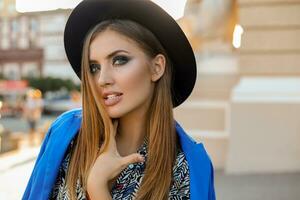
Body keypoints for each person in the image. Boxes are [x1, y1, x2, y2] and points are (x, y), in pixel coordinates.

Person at [23, 0, 215, 200]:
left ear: (157, 67)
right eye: (94, 67)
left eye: (119, 60)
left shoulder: (188, 167)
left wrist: (97, 187)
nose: (102, 79)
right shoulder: (65, 135)